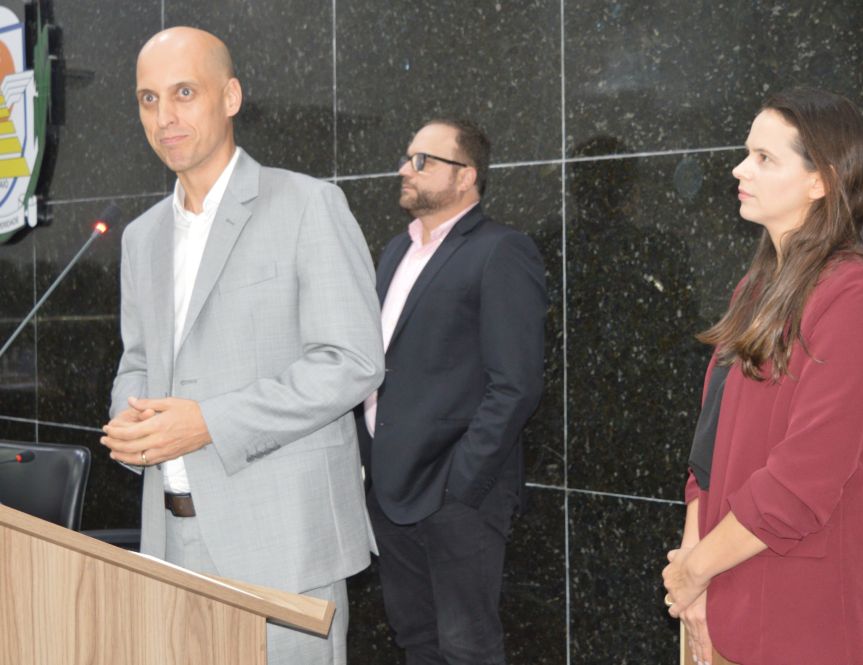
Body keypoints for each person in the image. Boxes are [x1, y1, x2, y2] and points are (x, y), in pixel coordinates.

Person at [100, 27, 383, 665]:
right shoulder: (142, 237)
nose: (165, 118)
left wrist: (209, 423)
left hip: (282, 543)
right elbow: (137, 360)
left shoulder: (309, 204)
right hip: (168, 540)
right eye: (148, 99)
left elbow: (353, 361)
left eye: (184, 93)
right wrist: (132, 419)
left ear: (230, 97)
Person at [661, 88, 863, 665]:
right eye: (748, 153)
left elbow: (804, 479)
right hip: (725, 596)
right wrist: (694, 581)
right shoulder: (755, 288)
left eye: (764, 158)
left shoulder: (855, 293)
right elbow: (707, 448)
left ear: (821, 181)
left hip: (809, 617)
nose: (740, 169)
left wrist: (695, 569)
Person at [357, 119, 546, 664]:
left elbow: (516, 383)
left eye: (423, 161)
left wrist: (461, 480)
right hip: (389, 487)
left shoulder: (501, 250)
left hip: (455, 493)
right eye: (406, 157)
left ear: (466, 176)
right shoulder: (396, 250)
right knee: (415, 639)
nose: (405, 169)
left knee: (467, 649)